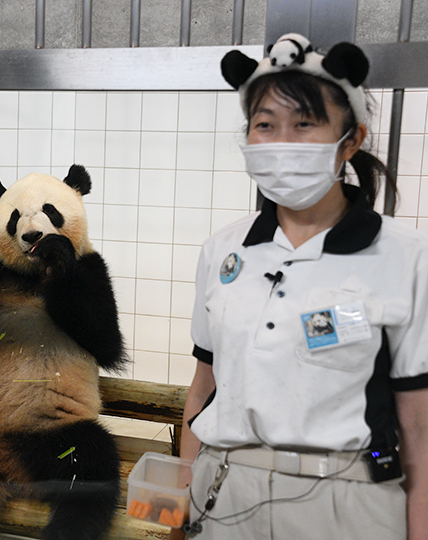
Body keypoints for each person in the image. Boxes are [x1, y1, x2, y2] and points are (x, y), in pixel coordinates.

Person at [180, 33, 428, 539]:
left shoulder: (406, 257)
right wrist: (181, 503)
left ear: (351, 140)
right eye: (265, 125)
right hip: (224, 491)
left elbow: (419, 427)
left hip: (347, 498)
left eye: (304, 124)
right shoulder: (224, 251)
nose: (281, 143)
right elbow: (203, 389)